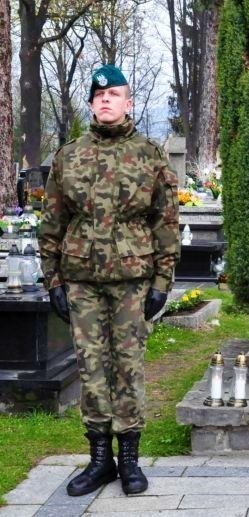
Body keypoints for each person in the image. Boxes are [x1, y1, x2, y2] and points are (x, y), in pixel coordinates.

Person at [39, 64, 180, 496]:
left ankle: (131, 459)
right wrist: (54, 282)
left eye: (113, 94)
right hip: (81, 279)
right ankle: (100, 459)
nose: (105, 100)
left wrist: (162, 282)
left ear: (127, 101)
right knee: (92, 367)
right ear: (91, 104)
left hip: (132, 281)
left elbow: (166, 221)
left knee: (130, 367)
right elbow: (52, 222)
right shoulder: (69, 156)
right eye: (99, 96)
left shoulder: (150, 154)